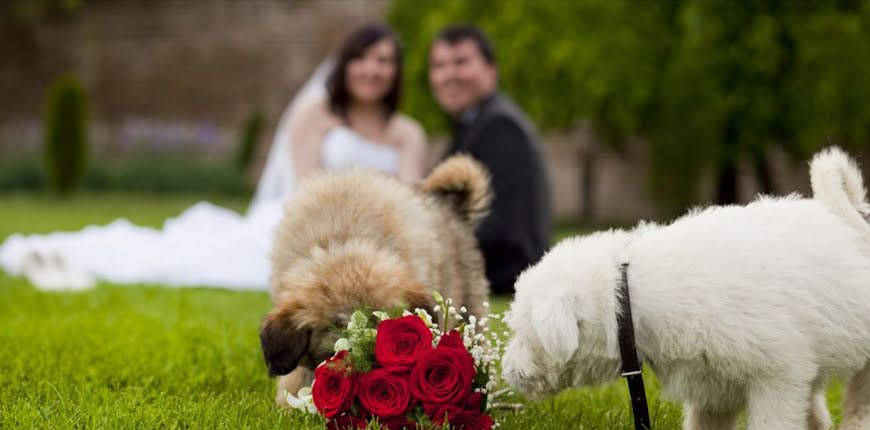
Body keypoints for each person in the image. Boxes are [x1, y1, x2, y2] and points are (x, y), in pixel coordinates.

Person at [0, 24, 426, 291]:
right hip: (308, 222)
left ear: (396, 71)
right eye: (363, 58)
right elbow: (307, 187)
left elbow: (409, 201)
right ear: (346, 65)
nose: (373, 69)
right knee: (204, 260)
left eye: (384, 61)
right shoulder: (315, 115)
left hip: (376, 235)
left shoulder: (407, 133)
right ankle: (65, 255)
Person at [428, 24, 551, 294]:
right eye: (439, 65)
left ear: (491, 70)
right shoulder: (474, 123)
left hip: (507, 284)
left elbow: (504, 227)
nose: (449, 74)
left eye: (461, 62)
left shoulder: (500, 126)